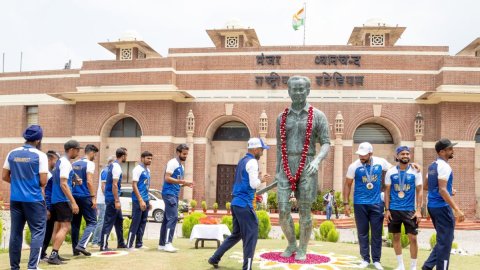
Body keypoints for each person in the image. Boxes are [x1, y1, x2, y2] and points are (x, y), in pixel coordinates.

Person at [275, 76, 331, 260]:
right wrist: (278, 170)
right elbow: (278, 146)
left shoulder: (318, 115)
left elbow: (326, 143)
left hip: (307, 165)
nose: (298, 93)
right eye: (294, 89)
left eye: (301, 89)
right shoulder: (281, 118)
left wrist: (316, 162)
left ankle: (302, 248)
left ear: (308, 91)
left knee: (305, 211)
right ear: (289, 91)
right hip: (286, 165)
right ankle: (291, 243)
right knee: (283, 210)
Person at [208, 138, 271, 269]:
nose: (262, 152)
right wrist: (261, 179)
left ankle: (215, 258)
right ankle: (247, 268)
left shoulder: (242, 160)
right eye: (261, 149)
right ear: (255, 149)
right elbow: (254, 184)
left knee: (237, 234)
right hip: (244, 204)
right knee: (251, 235)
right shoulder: (253, 162)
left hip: (236, 202)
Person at [2, 125, 48, 270]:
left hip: (15, 199)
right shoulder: (40, 155)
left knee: (15, 233)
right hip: (34, 200)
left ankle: (14, 267)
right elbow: (43, 181)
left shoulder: (12, 153)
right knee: (38, 232)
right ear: (39, 139)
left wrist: (18, 183)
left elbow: (4, 176)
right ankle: (32, 266)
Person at [343, 142, 392, 270]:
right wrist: (346, 204)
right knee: (362, 233)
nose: (361, 157)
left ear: (371, 153)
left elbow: (394, 170)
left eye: (364, 155)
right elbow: (347, 184)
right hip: (360, 203)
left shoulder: (381, 162)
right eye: (360, 155)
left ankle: (376, 260)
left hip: (376, 203)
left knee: (376, 233)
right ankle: (365, 258)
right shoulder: (354, 166)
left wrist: (412, 166)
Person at [422, 139, 465, 270]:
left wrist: (449, 190)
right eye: (450, 149)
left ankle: (428, 267)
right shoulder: (445, 166)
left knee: (444, 239)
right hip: (441, 207)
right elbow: (442, 189)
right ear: (442, 151)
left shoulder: (432, 165)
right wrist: (456, 209)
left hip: (433, 206)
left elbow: (426, 186)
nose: (453, 151)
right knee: (446, 242)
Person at [384, 146, 423, 270]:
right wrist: (387, 210)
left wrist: (418, 210)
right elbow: (387, 192)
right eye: (402, 154)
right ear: (397, 156)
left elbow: (420, 191)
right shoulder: (390, 172)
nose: (405, 156)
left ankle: (413, 267)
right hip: (394, 209)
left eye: (407, 154)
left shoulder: (415, 171)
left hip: (410, 210)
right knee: (396, 237)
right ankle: (400, 265)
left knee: (413, 238)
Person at [48, 140, 82, 265]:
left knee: (57, 227)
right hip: (63, 200)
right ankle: (53, 255)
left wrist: (75, 178)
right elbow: (63, 184)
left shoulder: (59, 162)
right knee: (65, 227)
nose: (78, 153)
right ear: (71, 149)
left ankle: (55, 253)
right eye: (77, 150)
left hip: (56, 199)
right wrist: (73, 202)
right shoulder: (66, 163)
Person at [158, 144, 193, 252]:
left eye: (187, 154)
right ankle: (168, 243)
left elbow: (177, 182)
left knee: (166, 219)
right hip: (169, 194)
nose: (186, 156)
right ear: (178, 153)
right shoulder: (172, 163)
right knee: (173, 218)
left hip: (174, 194)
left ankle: (162, 244)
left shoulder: (181, 166)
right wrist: (181, 181)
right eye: (184, 154)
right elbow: (167, 178)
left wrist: (185, 184)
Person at [70, 144, 99, 256]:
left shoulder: (74, 163)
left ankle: (75, 249)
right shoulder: (90, 164)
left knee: (75, 224)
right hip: (86, 196)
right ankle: (81, 245)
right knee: (92, 222)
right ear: (91, 152)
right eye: (95, 154)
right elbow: (89, 181)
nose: (95, 156)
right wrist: (93, 197)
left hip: (75, 196)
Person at [99, 147, 128, 251]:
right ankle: (103, 245)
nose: (126, 157)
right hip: (112, 199)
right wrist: (116, 200)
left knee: (119, 220)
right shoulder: (116, 167)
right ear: (123, 156)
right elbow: (114, 185)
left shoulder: (113, 165)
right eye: (126, 155)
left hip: (113, 198)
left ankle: (120, 243)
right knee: (108, 222)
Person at [127, 151, 153, 250]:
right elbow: (134, 185)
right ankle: (129, 245)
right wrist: (140, 200)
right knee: (135, 222)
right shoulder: (137, 169)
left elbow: (146, 186)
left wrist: (148, 201)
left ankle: (139, 244)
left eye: (151, 158)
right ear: (142, 158)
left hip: (145, 200)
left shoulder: (148, 170)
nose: (149, 160)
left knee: (143, 222)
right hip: (138, 200)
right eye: (148, 158)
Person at [41, 151, 61, 261]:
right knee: (46, 231)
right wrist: (47, 208)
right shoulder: (47, 174)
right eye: (55, 160)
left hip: (51, 206)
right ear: (49, 160)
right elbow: (44, 192)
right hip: (48, 206)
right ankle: (41, 253)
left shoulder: (51, 173)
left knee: (49, 231)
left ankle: (43, 253)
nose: (57, 163)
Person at [91, 155, 115, 248]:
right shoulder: (106, 171)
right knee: (101, 221)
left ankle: (101, 241)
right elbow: (103, 186)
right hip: (103, 200)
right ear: (111, 162)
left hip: (105, 200)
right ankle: (95, 241)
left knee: (104, 221)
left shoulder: (109, 171)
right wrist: (108, 198)